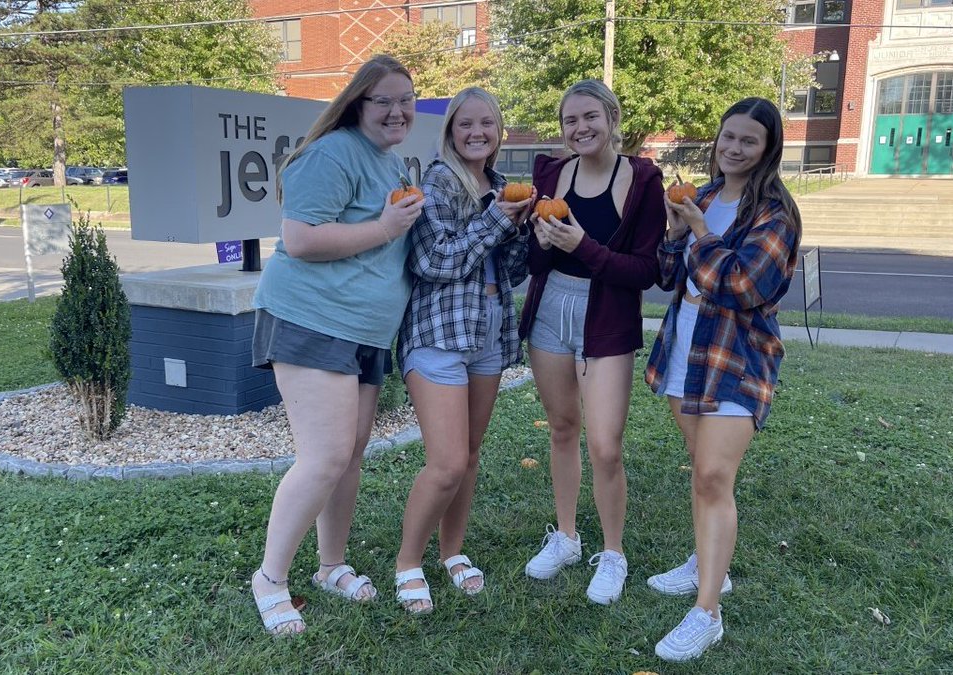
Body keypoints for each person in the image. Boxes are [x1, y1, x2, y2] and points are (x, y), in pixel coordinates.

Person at [248, 54, 424, 636]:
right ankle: (270, 578)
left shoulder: (389, 161)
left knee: (348, 455)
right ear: (357, 103)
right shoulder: (332, 153)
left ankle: (330, 566)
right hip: (313, 319)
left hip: (363, 331)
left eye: (406, 100)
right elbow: (300, 239)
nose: (397, 111)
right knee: (324, 456)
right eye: (384, 100)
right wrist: (384, 228)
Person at [643, 97, 802, 662]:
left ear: (768, 149)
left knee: (714, 474)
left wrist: (699, 232)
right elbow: (668, 276)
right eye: (728, 137)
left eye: (748, 141)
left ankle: (707, 612)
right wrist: (674, 230)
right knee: (702, 470)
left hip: (738, 354)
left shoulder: (775, 215)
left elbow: (741, 286)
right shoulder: (705, 196)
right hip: (686, 346)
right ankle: (707, 564)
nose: (734, 148)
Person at [517, 79, 666, 605]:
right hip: (550, 311)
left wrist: (584, 245)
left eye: (589, 117)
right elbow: (536, 262)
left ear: (611, 119)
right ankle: (566, 537)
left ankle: (613, 553)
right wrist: (541, 242)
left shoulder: (642, 179)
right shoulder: (551, 174)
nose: (579, 128)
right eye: (570, 120)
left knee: (605, 445)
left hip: (607, 315)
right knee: (562, 429)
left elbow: (646, 270)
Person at [392, 87, 534, 613]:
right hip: (440, 332)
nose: (477, 133)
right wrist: (498, 220)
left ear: (500, 131)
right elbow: (435, 261)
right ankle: (408, 562)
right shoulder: (439, 181)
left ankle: (451, 552)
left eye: (487, 124)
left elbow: (511, 270)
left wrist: (523, 230)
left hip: (489, 329)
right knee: (447, 462)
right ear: (450, 130)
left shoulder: (499, 186)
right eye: (466, 124)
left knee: (470, 455)